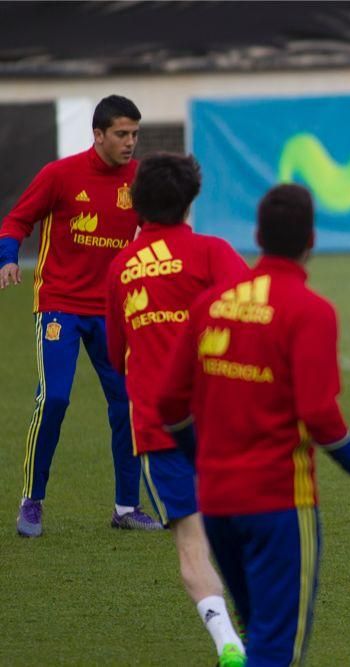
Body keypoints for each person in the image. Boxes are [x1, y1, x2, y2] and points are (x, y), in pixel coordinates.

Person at [157, 183, 350, 665]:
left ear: (258, 234)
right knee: (276, 647)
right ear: (312, 240)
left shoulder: (210, 304)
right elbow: (319, 413)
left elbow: (169, 402)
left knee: (257, 631)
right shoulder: (311, 311)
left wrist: (200, 457)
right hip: (279, 502)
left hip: (218, 502)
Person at [105, 153, 249, 667]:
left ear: (138, 203)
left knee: (192, 541)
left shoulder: (121, 267)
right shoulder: (213, 252)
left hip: (157, 424)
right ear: (191, 199)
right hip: (221, 415)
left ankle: (226, 638)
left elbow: (115, 355)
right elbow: (254, 317)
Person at [0, 94, 162, 537]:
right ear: (98, 135)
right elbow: (16, 220)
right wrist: (7, 257)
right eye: (122, 134)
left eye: (135, 134)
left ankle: (127, 507)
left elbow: (155, 232)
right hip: (60, 304)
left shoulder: (140, 180)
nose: (130, 143)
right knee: (54, 398)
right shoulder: (60, 174)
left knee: (127, 404)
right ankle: (32, 501)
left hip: (112, 310)